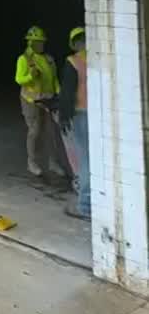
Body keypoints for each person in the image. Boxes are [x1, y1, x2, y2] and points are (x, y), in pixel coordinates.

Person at [14, 25, 70, 184]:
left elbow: (54, 79)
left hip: (48, 100)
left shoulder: (49, 59)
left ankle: (53, 162)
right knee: (35, 131)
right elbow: (19, 79)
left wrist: (59, 92)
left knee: (52, 132)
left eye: (41, 42)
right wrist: (30, 76)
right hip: (31, 101)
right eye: (36, 42)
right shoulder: (24, 59)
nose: (40, 44)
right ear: (30, 42)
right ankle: (32, 162)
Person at [56, 27, 90, 220]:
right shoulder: (98, 59)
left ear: (74, 43)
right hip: (99, 113)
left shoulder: (73, 62)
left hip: (80, 113)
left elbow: (67, 92)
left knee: (85, 158)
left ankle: (85, 205)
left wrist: (63, 116)